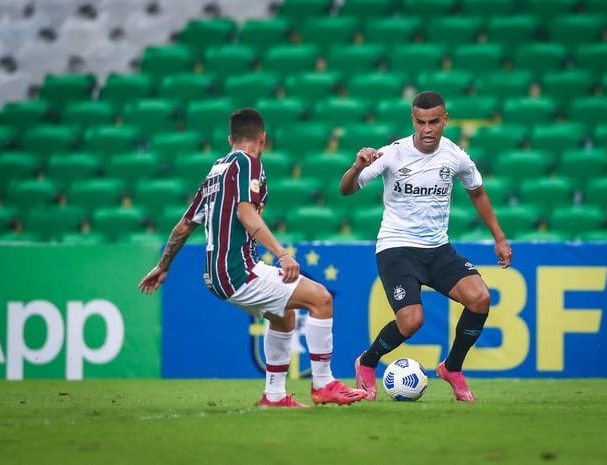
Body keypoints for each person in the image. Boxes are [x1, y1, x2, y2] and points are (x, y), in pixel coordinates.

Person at [139, 107, 367, 408]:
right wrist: (283, 255)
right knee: (321, 298)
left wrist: (162, 265)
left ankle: (274, 396)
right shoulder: (248, 163)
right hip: (238, 271)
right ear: (263, 138)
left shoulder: (216, 171)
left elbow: (184, 226)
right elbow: (245, 214)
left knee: (283, 315)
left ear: (230, 138)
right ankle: (323, 383)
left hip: (215, 275)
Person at [339, 91, 513, 402]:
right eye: (421, 122)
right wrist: (355, 167)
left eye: (434, 122)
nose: (427, 129)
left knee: (480, 298)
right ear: (413, 121)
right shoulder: (392, 154)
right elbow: (346, 190)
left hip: (438, 249)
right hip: (397, 247)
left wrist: (499, 237)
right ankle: (366, 362)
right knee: (412, 320)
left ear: (445, 120)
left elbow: (478, 193)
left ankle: (452, 368)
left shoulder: (455, 156)